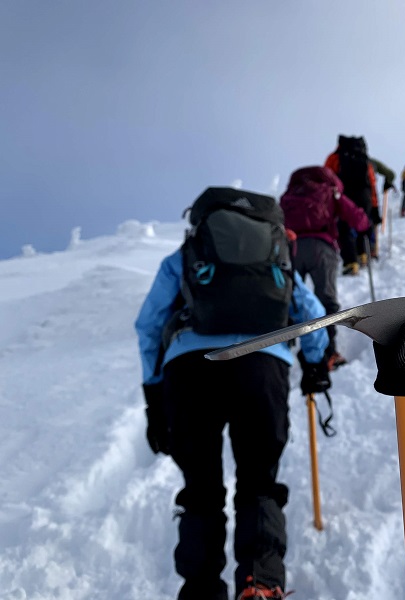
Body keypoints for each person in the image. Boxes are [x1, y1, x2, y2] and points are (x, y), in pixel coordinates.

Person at [135, 187, 331, 600]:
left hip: (190, 371)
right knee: (259, 483)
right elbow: (311, 314)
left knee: (202, 488)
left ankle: (202, 588)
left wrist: (154, 396)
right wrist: (314, 366)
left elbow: (149, 324)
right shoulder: (276, 258)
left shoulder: (185, 257)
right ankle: (260, 582)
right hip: (263, 365)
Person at [280, 165, 370, 370]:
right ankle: (329, 353)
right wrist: (365, 225)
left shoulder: (289, 195)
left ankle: (283, 351)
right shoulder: (329, 191)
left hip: (292, 248)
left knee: (291, 298)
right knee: (326, 298)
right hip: (322, 247)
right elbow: (356, 217)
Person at [325, 135, 381, 272]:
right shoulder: (364, 159)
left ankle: (351, 262)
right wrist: (375, 206)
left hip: (344, 194)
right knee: (364, 223)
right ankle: (364, 254)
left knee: (343, 227)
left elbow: (326, 178)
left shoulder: (334, 157)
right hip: (364, 195)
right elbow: (372, 182)